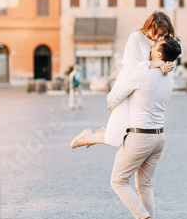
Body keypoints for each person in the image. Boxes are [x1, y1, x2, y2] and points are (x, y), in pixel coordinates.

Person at [108, 36, 181, 219]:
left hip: (140, 136)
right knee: (145, 185)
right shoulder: (168, 77)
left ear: (159, 54)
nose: (149, 49)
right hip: (159, 137)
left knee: (118, 181)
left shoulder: (143, 73)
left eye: (154, 47)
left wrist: (113, 104)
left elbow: (114, 97)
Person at [70, 11, 175, 149]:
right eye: (156, 33)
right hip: (128, 86)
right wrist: (157, 64)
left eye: (161, 35)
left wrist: (167, 64)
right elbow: (135, 69)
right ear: (150, 25)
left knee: (127, 136)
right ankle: (88, 137)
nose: (157, 37)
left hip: (140, 90)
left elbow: (157, 62)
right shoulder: (135, 38)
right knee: (121, 137)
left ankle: (95, 135)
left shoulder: (158, 42)